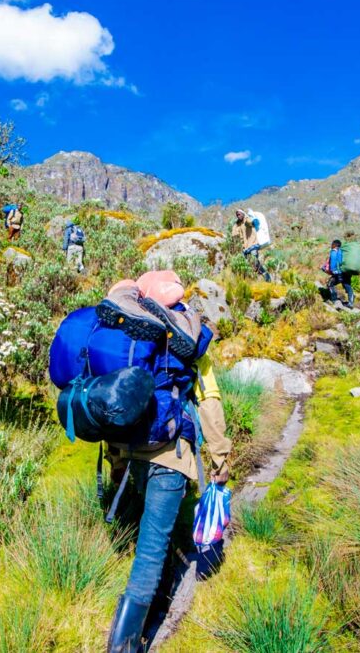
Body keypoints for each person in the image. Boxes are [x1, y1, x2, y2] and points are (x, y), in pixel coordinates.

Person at [104, 309, 231, 652]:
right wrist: (220, 458)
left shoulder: (133, 338)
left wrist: (116, 459)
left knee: (155, 532)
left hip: (133, 452)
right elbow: (209, 403)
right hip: (170, 456)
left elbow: (114, 400)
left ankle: (157, 602)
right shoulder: (189, 346)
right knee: (152, 547)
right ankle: (124, 645)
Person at [232, 209, 272, 282]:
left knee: (255, 263)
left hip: (253, 245)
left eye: (239, 214)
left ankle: (267, 277)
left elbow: (250, 222)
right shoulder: (239, 224)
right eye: (237, 215)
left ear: (243, 214)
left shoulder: (247, 219)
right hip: (245, 249)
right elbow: (234, 234)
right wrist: (235, 226)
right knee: (248, 265)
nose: (238, 216)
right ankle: (252, 280)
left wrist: (253, 221)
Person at [324, 239, 354, 308]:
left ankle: (334, 300)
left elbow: (333, 263)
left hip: (339, 273)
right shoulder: (343, 251)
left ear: (335, 245)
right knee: (348, 286)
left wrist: (332, 271)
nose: (331, 245)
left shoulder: (334, 251)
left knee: (330, 284)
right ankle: (351, 303)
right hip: (346, 272)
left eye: (332, 244)